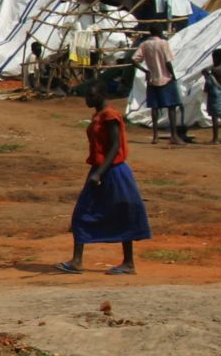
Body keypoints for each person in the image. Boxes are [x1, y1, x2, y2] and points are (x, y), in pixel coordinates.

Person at [56, 87, 151, 275]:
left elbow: (115, 146)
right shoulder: (98, 115)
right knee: (83, 212)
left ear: (101, 95)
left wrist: (99, 173)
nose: (86, 99)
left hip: (113, 170)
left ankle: (128, 262)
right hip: (101, 169)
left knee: (123, 213)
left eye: (90, 95)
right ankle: (77, 261)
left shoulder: (110, 116)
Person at [132, 26, 188, 145]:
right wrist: (173, 75)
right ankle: (174, 135)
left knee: (154, 108)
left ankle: (155, 136)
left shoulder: (145, 44)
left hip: (152, 79)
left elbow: (134, 60)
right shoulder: (163, 43)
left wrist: (146, 71)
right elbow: (168, 62)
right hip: (166, 78)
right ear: (160, 32)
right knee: (171, 107)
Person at [203, 47, 221, 145]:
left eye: (214, 58)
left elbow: (210, 83)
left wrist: (206, 75)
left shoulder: (215, 70)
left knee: (215, 118)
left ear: (218, 58)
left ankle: (215, 139)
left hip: (215, 96)